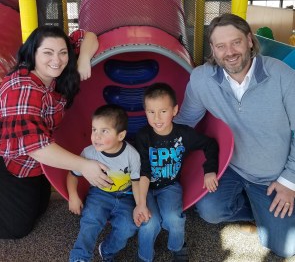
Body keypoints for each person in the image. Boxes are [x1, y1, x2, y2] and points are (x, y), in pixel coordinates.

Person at [174, 13, 295, 258]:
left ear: (250, 40)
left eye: (236, 42)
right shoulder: (201, 79)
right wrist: (151, 148)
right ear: (213, 49)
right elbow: (185, 122)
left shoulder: (282, 75)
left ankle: (268, 212)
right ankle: (259, 211)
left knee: (286, 247)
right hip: (231, 166)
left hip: (273, 174)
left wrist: (289, 181)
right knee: (209, 210)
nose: (229, 52)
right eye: (221, 46)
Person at [0, 25, 112, 239]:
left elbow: (87, 36)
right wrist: (84, 165)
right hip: (12, 162)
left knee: (40, 207)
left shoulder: (54, 71)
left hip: (37, 163)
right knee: (16, 228)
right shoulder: (22, 89)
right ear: (33, 53)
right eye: (48, 53)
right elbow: (34, 146)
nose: (57, 60)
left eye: (63, 53)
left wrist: (84, 58)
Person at [133, 82, 219, 262]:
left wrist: (209, 170)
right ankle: (144, 256)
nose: (157, 118)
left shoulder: (184, 134)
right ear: (145, 111)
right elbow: (143, 171)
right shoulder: (142, 137)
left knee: (174, 219)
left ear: (174, 110)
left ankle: (177, 247)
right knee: (149, 223)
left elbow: (210, 144)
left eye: (163, 111)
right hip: (145, 187)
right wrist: (141, 203)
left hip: (170, 186)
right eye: (151, 112)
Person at [68, 104, 141, 262]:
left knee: (128, 227)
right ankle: (80, 257)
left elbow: (136, 182)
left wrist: (139, 204)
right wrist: (73, 196)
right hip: (99, 194)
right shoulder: (89, 153)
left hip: (126, 196)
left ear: (120, 136)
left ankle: (107, 250)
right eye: (94, 129)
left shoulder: (132, 155)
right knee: (91, 220)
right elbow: (72, 175)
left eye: (104, 131)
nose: (96, 136)